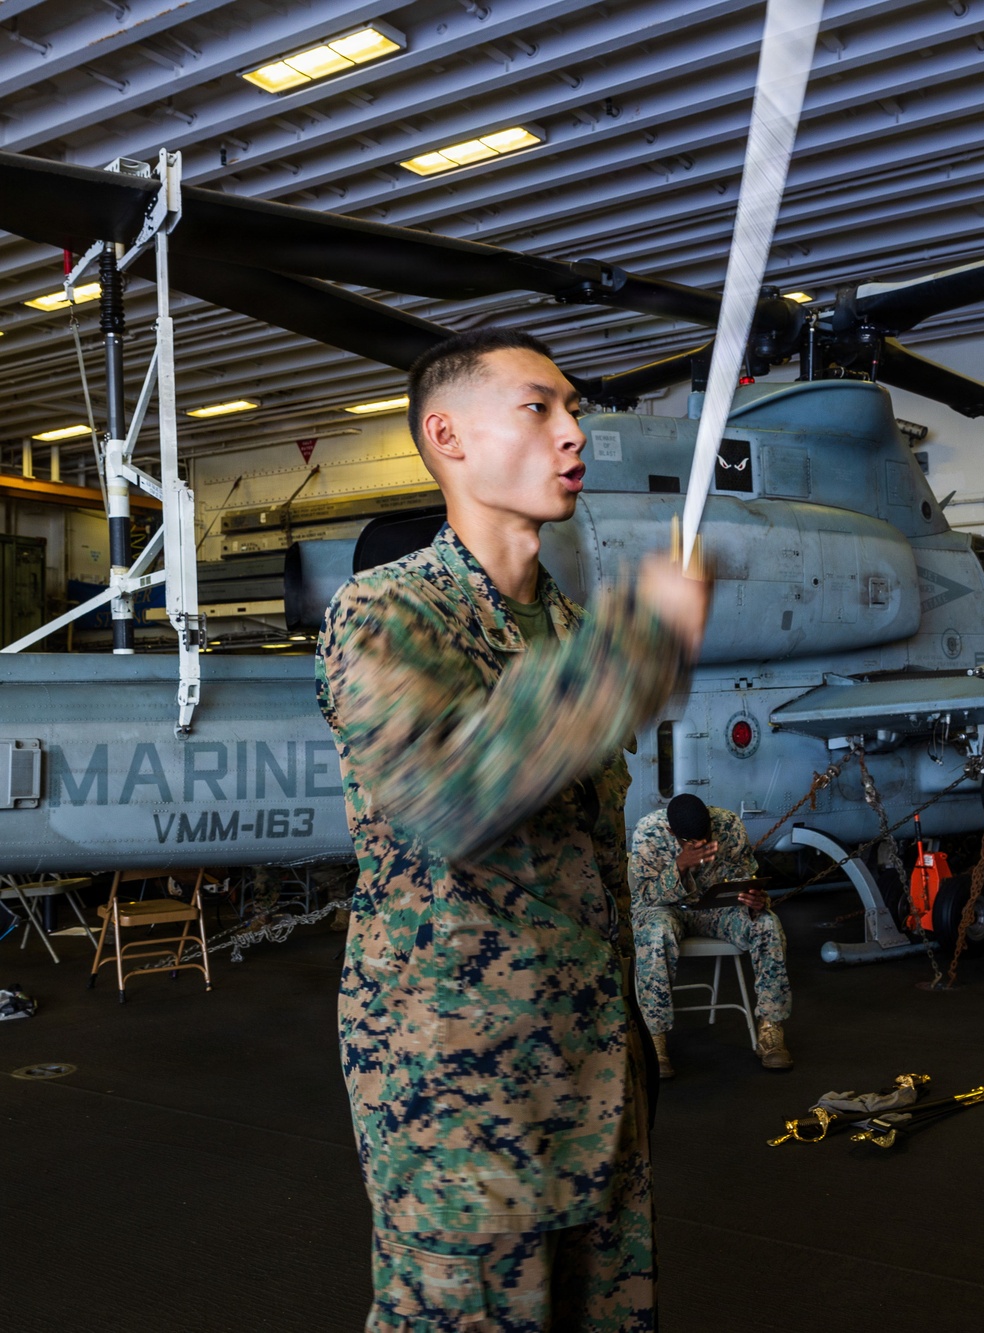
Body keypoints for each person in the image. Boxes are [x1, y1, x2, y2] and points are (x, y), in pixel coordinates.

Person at [315, 326, 710, 1332]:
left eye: (573, 409)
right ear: (446, 437)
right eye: (539, 408)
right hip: (453, 1087)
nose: (572, 433)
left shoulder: (577, 630)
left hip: (596, 1069)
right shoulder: (383, 613)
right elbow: (451, 795)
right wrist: (636, 651)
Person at [630, 794, 792, 1078]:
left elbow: (745, 879)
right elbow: (644, 897)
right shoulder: (649, 831)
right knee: (655, 932)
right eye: (691, 842)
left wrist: (754, 899)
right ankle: (654, 1039)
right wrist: (679, 865)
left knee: (766, 923)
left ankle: (770, 1031)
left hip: (716, 911)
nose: (702, 845)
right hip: (666, 911)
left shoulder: (728, 824)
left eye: (705, 837)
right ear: (671, 832)